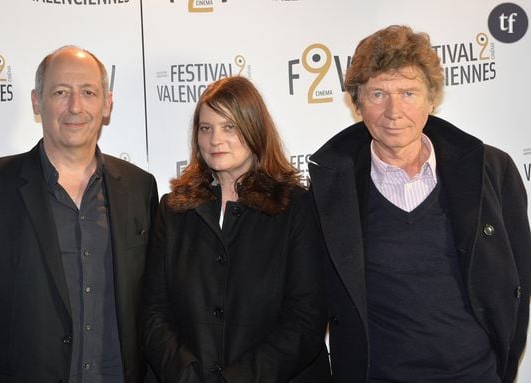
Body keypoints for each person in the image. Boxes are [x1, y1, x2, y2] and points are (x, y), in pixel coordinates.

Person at [308, 25, 531, 383]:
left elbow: (516, 284)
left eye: (408, 92)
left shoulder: (492, 170)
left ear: (432, 99)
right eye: (378, 93)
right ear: (357, 102)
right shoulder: (331, 188)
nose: (394, 111)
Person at [0, 46, 158, 383]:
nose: (75, 106)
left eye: (88, 92)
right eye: (61, 92)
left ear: (106, 103)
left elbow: (153, 305)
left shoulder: (140, 188)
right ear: (37, 101)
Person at [142, 76, 329, 383]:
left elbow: (305, 319)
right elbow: (153, 313)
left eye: (229, 126)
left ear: (254, 128)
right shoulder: (173, 210)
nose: (215, 139)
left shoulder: (295, 206)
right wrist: (186, 376)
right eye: (206, 128)